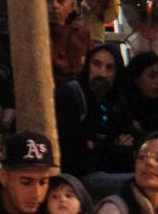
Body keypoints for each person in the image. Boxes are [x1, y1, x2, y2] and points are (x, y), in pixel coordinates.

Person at [56, 44, 134, 181]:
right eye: (97, 65)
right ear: (88, 65)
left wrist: (95, 146)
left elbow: (130, 147)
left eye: (110, 68)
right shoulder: (71, 95)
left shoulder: (117, 102)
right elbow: (74, 155)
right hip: (77, 180)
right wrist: (114, 148)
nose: (102, 73)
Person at [46, 0, 91, 84]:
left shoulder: (82, 34)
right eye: (49, 0)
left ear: (71, 6)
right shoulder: (35, 35)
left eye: (60, 1)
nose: (55, 5)